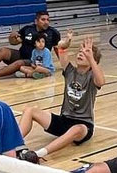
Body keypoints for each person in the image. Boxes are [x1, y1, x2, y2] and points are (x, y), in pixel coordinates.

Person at [18, 34, 103, 162]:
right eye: (80, 52)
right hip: (64, 121)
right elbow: (61, 49)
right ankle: (15, 143)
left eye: (85, 54)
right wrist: (65, 43)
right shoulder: (70, 71)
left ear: (92, 61)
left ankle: (38, 154)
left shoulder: (92, 77)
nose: (80, 54)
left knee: (76, 129)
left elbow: (101, 81)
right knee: (30, 110)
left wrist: (91, 58)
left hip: (83, 125)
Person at [0, 11, 61, 82]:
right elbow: (14, 42)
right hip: (21, 55)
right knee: (3, 51)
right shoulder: (27, 29)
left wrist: (63, 65)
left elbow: (57, 48)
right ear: (36, 21)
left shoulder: (53, 33)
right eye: (43, 20)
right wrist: (11, 37)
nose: (46, 22)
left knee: (19, 63)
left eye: (48, 20)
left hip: (35, 62)